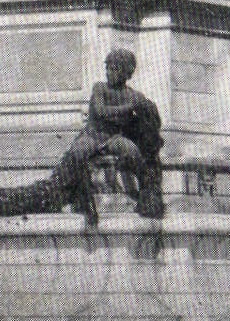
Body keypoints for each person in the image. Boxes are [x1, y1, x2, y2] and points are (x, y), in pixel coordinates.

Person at [67, 48, 164, 218]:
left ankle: (144, 193)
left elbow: (153, 120)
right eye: (108, 68)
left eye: (115, 69)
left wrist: (148, 109)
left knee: (134, 153)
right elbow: (101, 111)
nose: (109, 72)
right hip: (93, 134)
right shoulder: (100, 88)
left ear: (127, 73)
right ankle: (80, 198)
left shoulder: (133, 94)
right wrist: (130, 107)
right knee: (77, 153)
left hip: (114, 137)